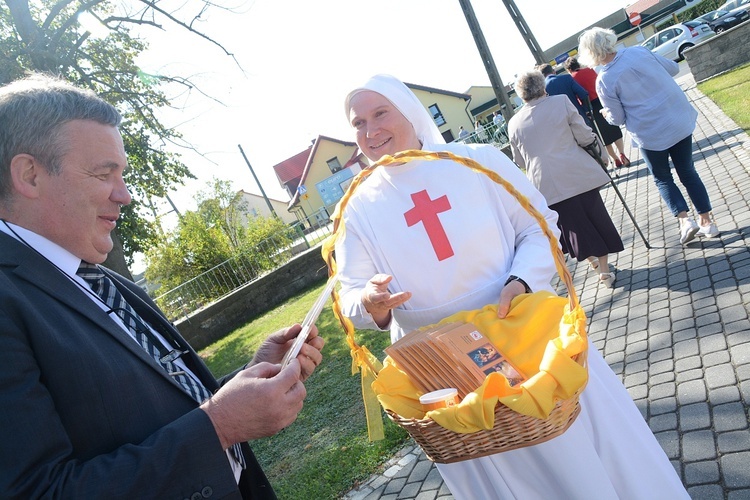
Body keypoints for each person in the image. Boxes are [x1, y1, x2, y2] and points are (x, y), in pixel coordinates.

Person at [337, 73, 688, 498]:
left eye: (380, 114)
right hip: (443, 372)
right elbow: (351, 290)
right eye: (358, 123)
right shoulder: (357, 206)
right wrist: (371, 303)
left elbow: (540, 228)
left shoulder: (476, 160)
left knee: (578, 454)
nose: (370, 131)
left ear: (409, 112)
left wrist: (521, 280)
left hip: (525, 335)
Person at [0, 73, 325, 498]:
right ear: (30, 175)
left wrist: (245, 379)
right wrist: (221, 426)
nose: (125, 195)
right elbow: (36, 492)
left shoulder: (94, 278)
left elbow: (147, 414)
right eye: (104, 174)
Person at [578, 27, 720, 244]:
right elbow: (673, 69)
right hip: (677, 119)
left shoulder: (605, 79)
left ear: (589, 53)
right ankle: (707, 222)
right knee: (688, 171)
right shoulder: (639, 51)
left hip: (650, 132)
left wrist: (606, 114)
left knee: (662, 178)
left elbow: (617, 118)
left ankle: (684, 220)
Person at [509, 70, 624, 288]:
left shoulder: (513, 123)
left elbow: (520, 162)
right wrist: (599, 152)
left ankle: (594, 264)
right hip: (576, 174)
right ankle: (605, 272)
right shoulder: (561, 102)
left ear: (521, 95)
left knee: (572, 229)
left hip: (544, 186)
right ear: (543, 87)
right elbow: (583, 134)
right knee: (595, 219)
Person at [564, 56, 631, 169]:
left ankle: (615, 159)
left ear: (569, 69)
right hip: (601, 100)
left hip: (590, 106)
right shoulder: (590, 70)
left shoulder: (573, 78)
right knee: (614, 128)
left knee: (603, 135)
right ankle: (622, 152)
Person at [537, 63, 594, 129]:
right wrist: (586, 110)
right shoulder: (566, 78)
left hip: (561, 126)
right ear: (554, 71)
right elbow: (583, 94)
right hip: (579, 116)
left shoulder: (542, 89)